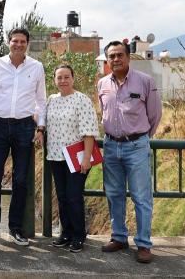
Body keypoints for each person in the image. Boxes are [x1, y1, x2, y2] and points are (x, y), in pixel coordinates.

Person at [0, 27, 46, 246]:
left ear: (28, 43)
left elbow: (41, 101)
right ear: (9, 43)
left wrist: (41, 128)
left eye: (22, 41)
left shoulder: (36, 67)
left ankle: (16, 228)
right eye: (15, 41)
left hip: (25, 127)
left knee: (21, 180)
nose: (18, 44)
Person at [97, 40, 162, 264]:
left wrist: (140, 138)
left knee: (141, 197)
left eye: (119, 55)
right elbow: (103, 111)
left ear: (128, 57)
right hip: (110, 146)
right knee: (114, 194)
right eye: (111, 56)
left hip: (136, 146)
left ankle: (143, 244)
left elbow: (154, 115)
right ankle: (119, 237)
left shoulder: (145, 82)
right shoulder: (102, 84)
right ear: (107, 60)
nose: (116, 59)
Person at [38, 64, 99, 253]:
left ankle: (79, 235)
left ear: (73, 78)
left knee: (74, 196)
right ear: (54, 80)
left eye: (66, 77)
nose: (63, 81)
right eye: (59, 77)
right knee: (63, 197)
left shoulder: (82, 100)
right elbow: (43, 120)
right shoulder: (51, 100)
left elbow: (89, 132)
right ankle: (66, 233)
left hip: (77, 157)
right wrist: (39, 130)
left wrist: (87, 158)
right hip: (56, 156)